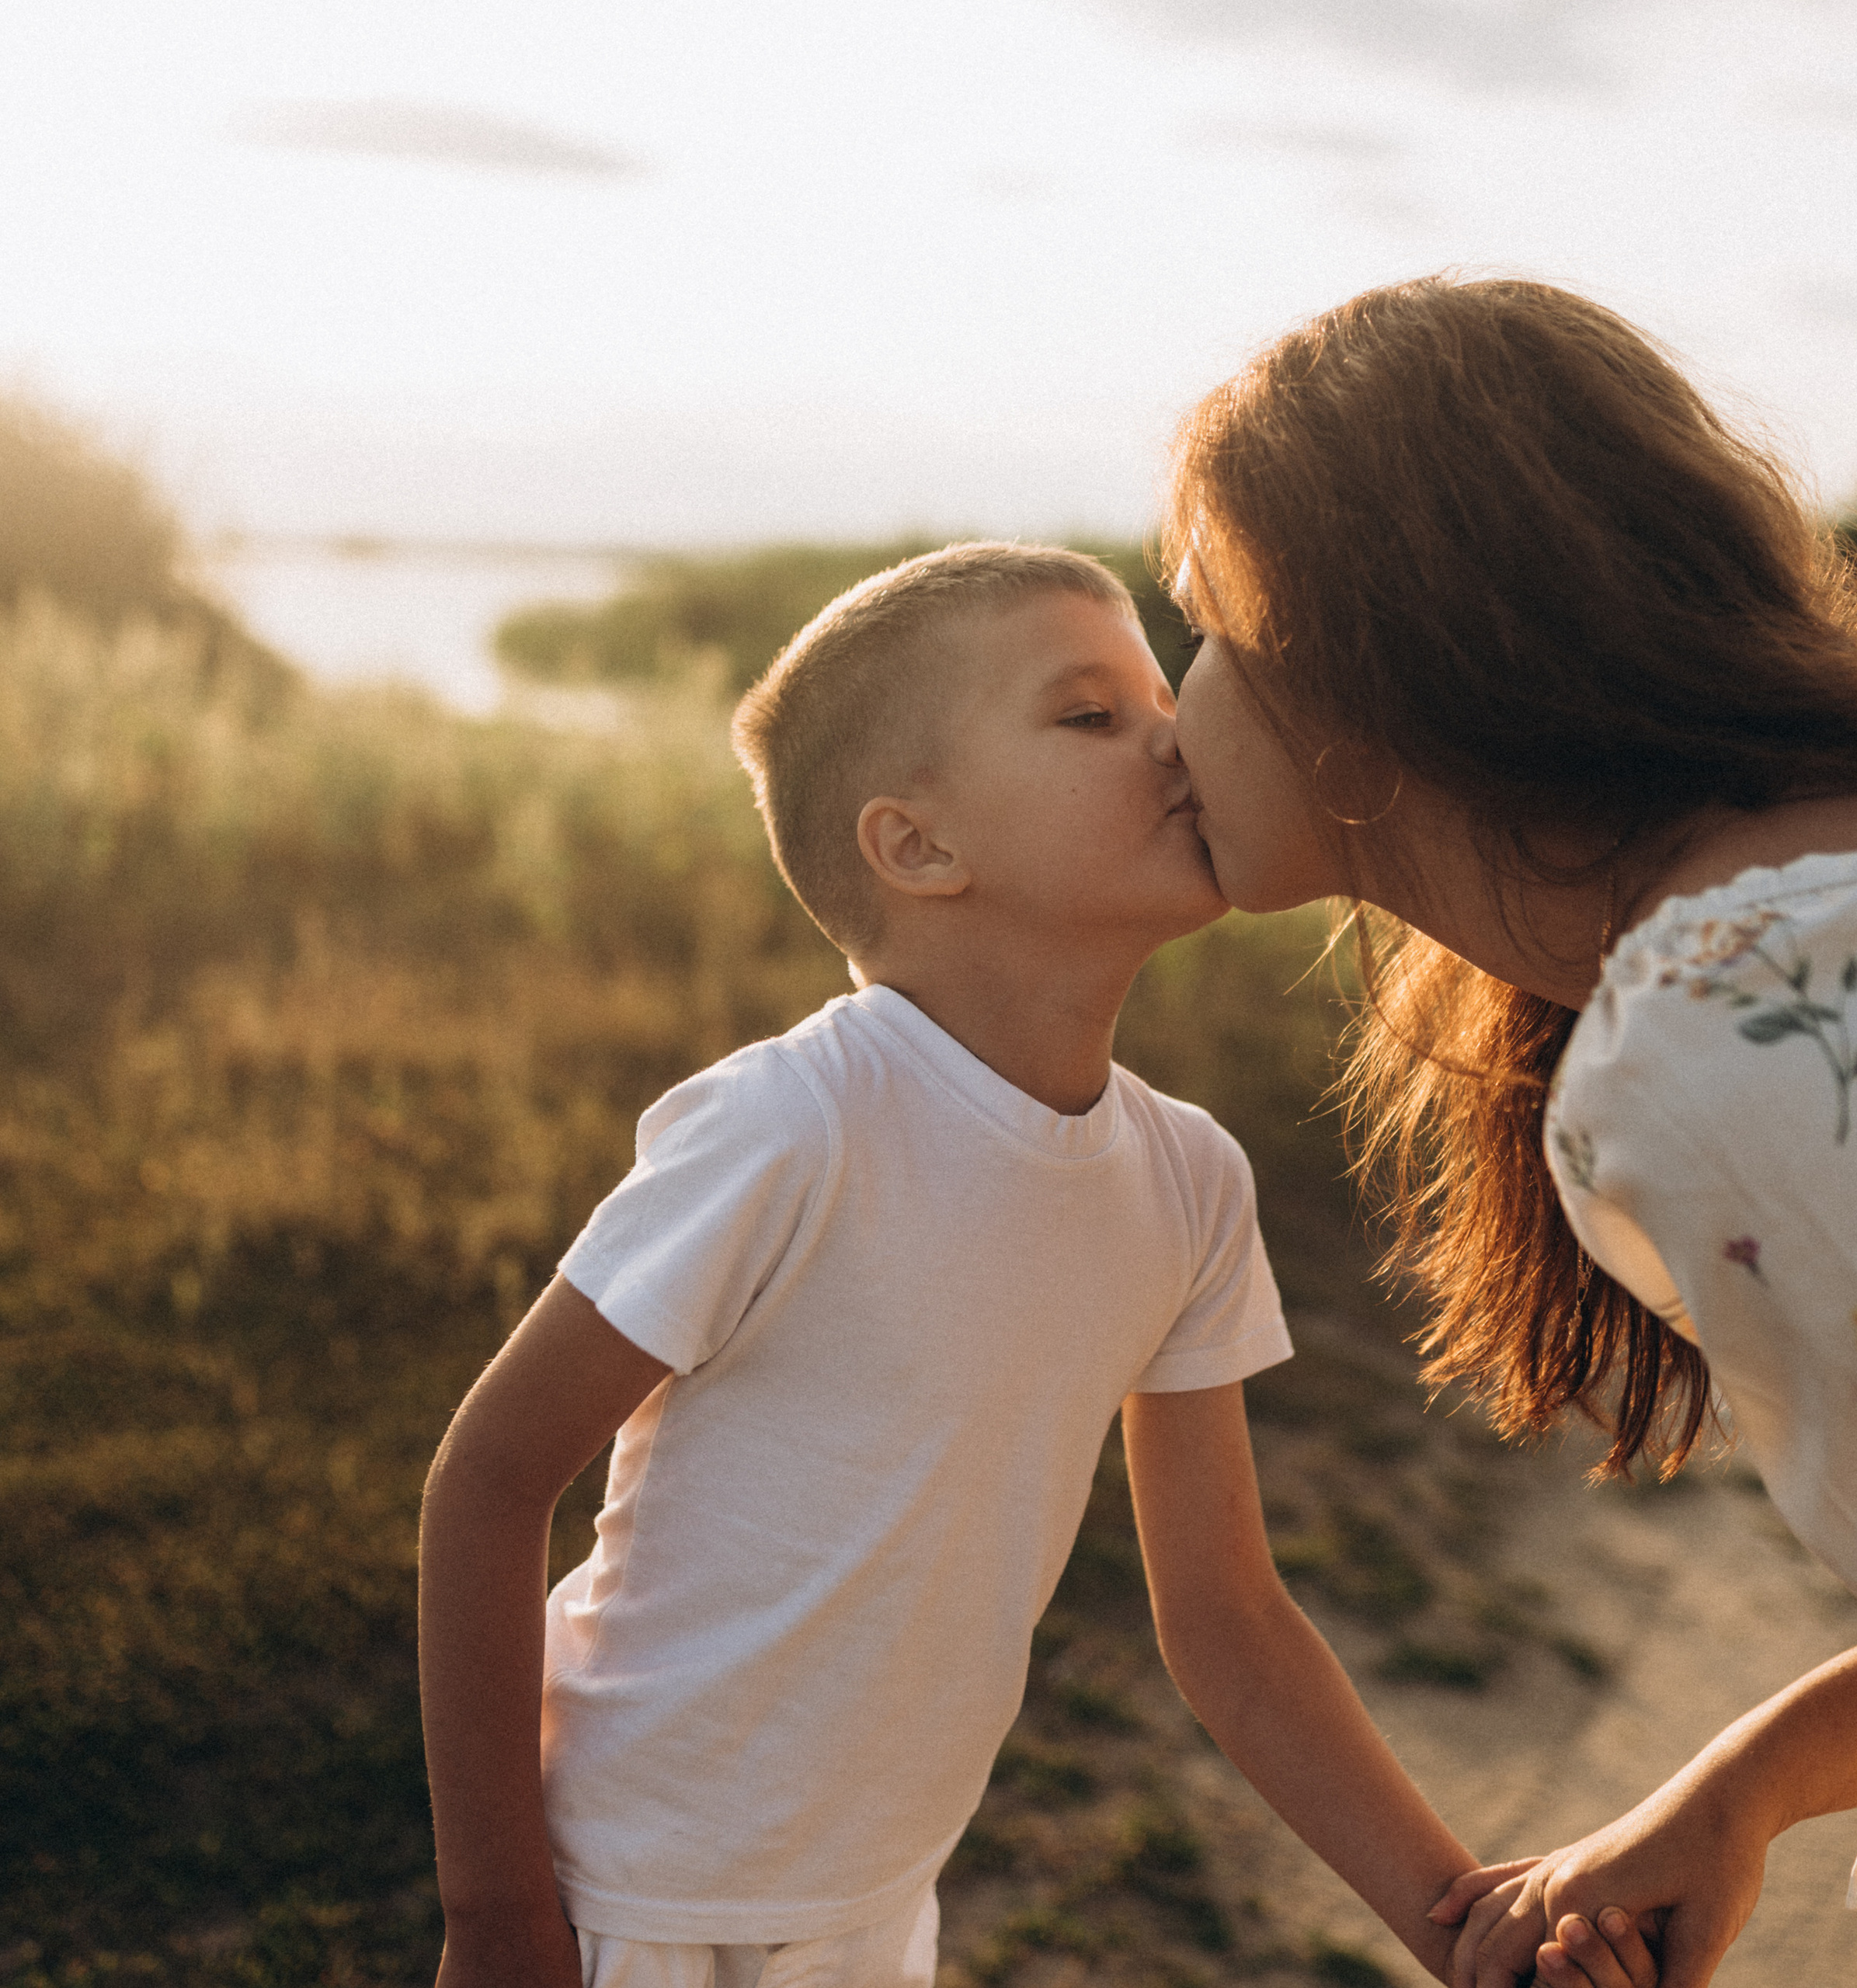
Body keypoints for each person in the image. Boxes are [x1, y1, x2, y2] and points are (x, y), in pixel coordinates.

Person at [416, 542, 1649, 1988]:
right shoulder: (792, 1126)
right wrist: (497, 1916)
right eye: (1089, 716)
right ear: (918, 848)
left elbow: (1233, 1622)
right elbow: (489, 1482)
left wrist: (1461, 1929)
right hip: (625, 1897)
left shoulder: (1188, 1181)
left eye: (1157, 698)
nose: (1175, 737)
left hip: (878, 1906)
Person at [1166, 274, 1857, 1988]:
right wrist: (1746, 1787)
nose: (1174, 708)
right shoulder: (1849, 882)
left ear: (1359, 661)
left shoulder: (1712, 1037)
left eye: (1203, 626)